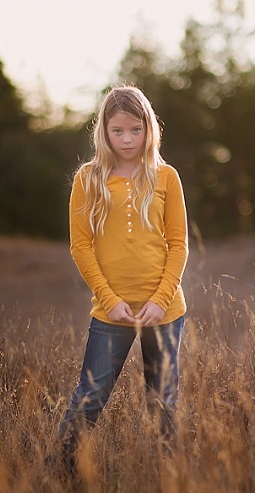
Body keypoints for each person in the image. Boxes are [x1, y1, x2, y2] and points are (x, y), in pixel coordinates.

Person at [52, 85, 188, 472]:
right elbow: (81, 246)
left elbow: (178, 244)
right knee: (91, 395)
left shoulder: (165, 176)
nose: (127, 139)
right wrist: (110, 299)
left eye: (135, 130)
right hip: (112, 311)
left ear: (148, 130)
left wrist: (160, 299)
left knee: (162, 401)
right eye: (117, 131)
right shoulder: (88, 178)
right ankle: (57, 471)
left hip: (163, 311)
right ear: (104, 132)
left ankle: (165, 479)